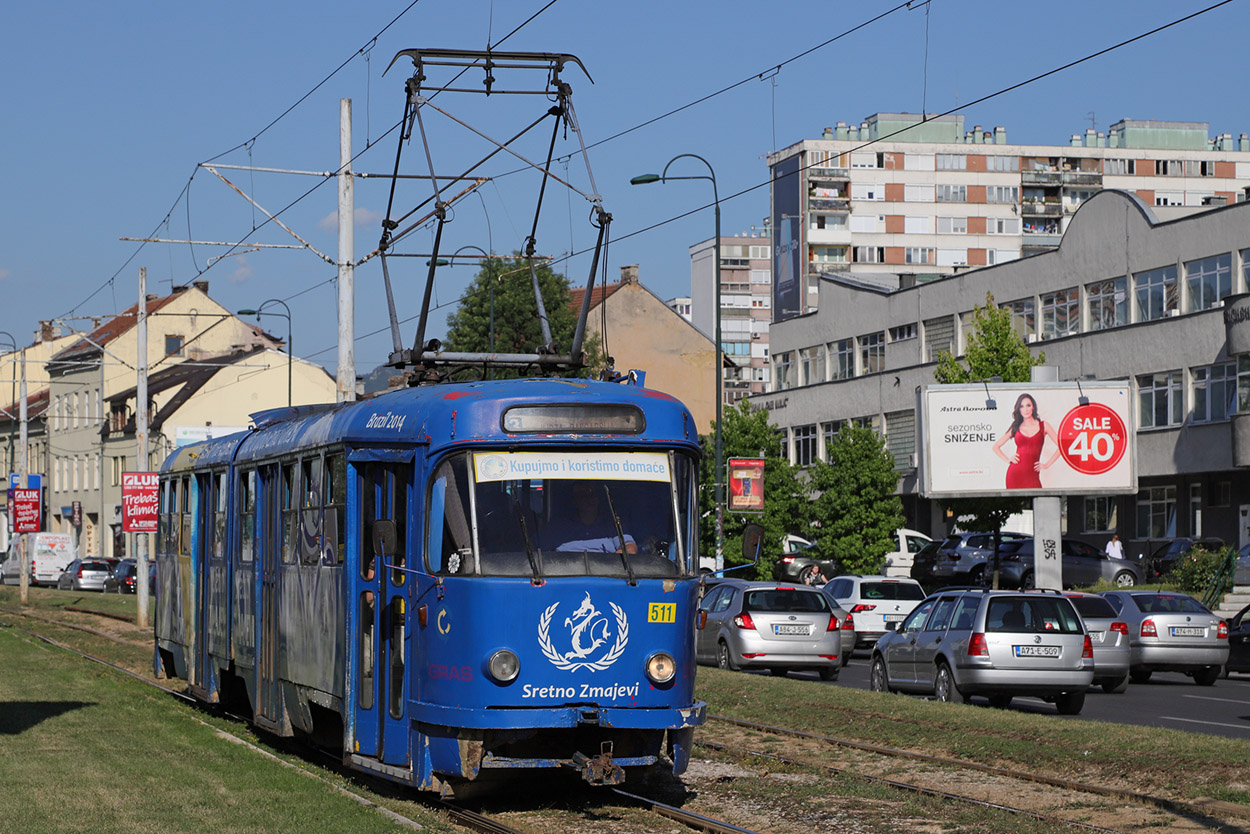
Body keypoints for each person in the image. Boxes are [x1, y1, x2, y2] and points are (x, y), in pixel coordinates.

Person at [540, 480, 637, 554]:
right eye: (582, 495)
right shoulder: (557, 527)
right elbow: (532, 548)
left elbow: (630, 548)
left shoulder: (613, 525)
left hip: (605, 576)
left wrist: (610, 563)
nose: (588, 499)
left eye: (591, 494)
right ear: (574, 501)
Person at [992, 393, 1061, 489]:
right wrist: (1008, 460)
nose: (1026, 409)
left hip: (1033, 475)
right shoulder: (1015, 427)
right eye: (1022, 406)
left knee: (1037, 503)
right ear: (1018, 409)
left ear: (1033, 407)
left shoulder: (1044, 425)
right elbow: (996, 447)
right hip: (1014, 475)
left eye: (1028, 405)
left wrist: (1047, 465)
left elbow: (1061, 446)